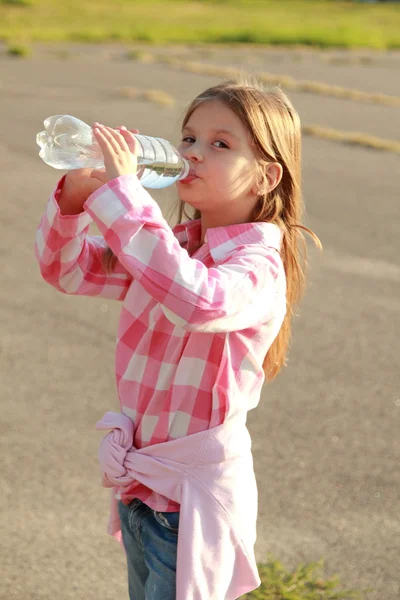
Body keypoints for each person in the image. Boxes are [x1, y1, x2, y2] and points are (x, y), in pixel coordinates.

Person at [34, 78, 321, 600]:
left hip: (192, 504)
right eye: (188, 138)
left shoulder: (258, 265)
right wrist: (75, 202)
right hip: (142, 492)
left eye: (220, 144)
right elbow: (68, 271)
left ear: (266, 176)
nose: (191, 154)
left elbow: (200, 301)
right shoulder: (175, 249)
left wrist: (126, 199)